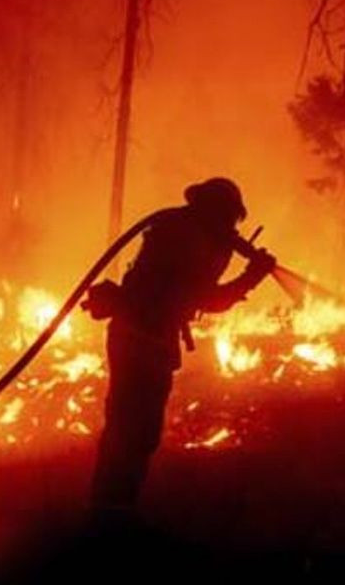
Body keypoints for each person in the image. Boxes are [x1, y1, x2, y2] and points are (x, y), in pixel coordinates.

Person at [85, 177, 276, 514]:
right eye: (231, 219)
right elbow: (208, 298)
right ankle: (112, 511)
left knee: (128, 429)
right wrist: (253, 275)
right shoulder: (189, 240)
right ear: (218, 213)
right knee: (135, 432)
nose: (233, 230)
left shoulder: (182, 230)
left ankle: (109, 507)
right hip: (144, 341)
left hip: (139, 336)